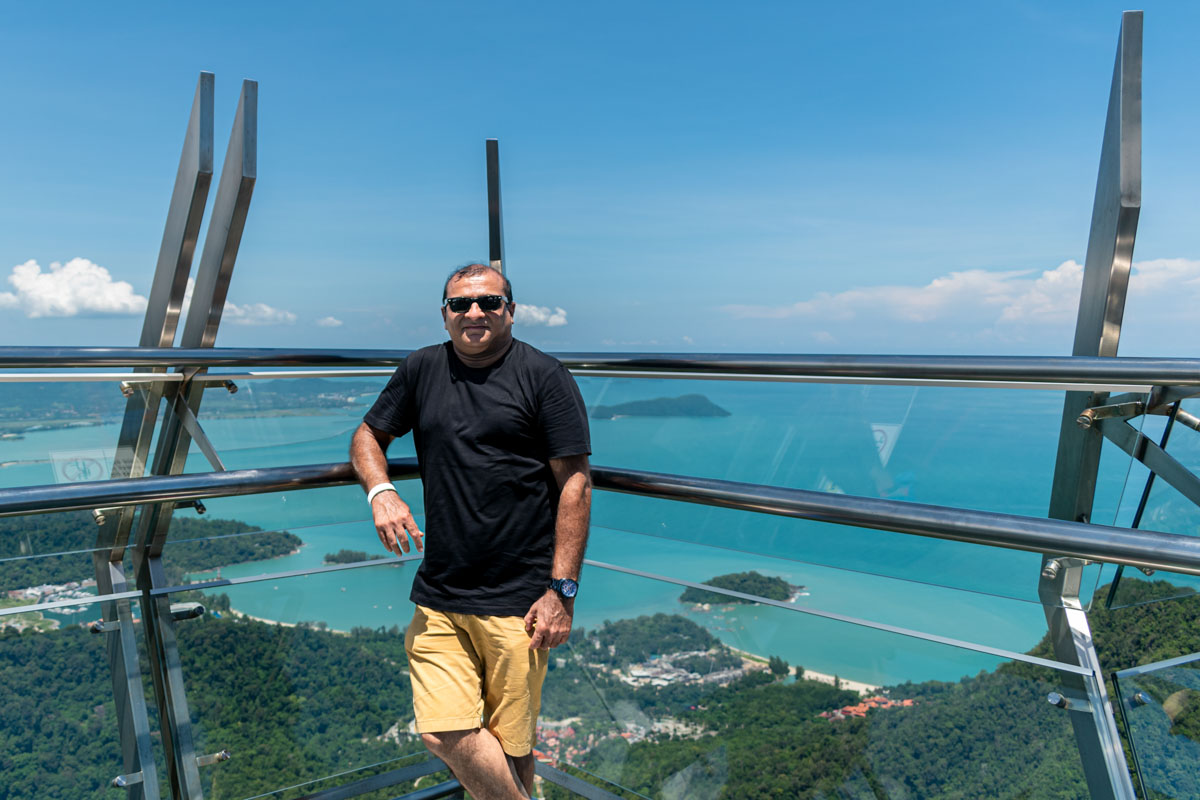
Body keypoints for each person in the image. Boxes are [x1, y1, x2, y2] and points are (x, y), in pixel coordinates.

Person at [350, 263, 592, 800]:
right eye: (460, 305)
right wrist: (380, 491)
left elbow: (574, 485)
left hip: (520, 599)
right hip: (441, 589)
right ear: (444, 315)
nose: (474, 313)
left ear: (510, 310)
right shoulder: (421, 369)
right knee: (444, 730)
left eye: (489, 302)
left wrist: (562, 592)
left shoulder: (544, 376)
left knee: (513, 748)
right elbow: (369, 433)